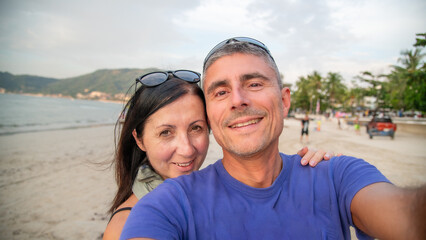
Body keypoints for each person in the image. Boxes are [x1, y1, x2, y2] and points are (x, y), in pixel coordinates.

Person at [121, 37, 425, 240]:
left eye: (254, 83)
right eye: (221, 91)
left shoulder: (338, 176)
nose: (238, 100)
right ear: (211, 115)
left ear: (284, 100)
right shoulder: (167, 204)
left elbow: (405, 216)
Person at [102, 70, 334, 240]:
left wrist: (307, 171)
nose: (187, 149)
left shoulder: (206, 193)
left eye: (196, 128)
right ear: (139, 139)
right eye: (166, 132)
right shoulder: (127, 225)